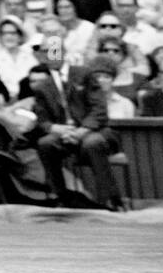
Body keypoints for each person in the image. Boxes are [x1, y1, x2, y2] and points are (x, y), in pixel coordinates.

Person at [18, 35, 125, 211]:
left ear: (63, 52)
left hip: (92, 131)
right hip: (64, 135)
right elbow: (42, 120)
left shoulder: (84, 74)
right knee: (45, 143)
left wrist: (82, 130)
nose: (48, 55)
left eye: (53, 51)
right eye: (44, 52)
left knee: (93, 142)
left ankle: (110, 198)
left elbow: (99, 110)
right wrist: (55, 128)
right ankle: (59, 196)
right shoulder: (42, 86)